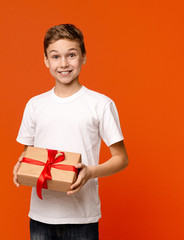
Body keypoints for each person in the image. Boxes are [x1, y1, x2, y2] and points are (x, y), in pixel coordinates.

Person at [13, 24, 128, 240]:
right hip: (41, 216)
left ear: (83, 57)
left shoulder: (100, 104)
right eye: (55, 56)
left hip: (82, 218)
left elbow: (121, 158)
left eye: (71, 55)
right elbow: (30, 154)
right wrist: (21, 164)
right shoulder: (35, 105)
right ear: (46, 60)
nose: (64, 63)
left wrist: (90, 172)